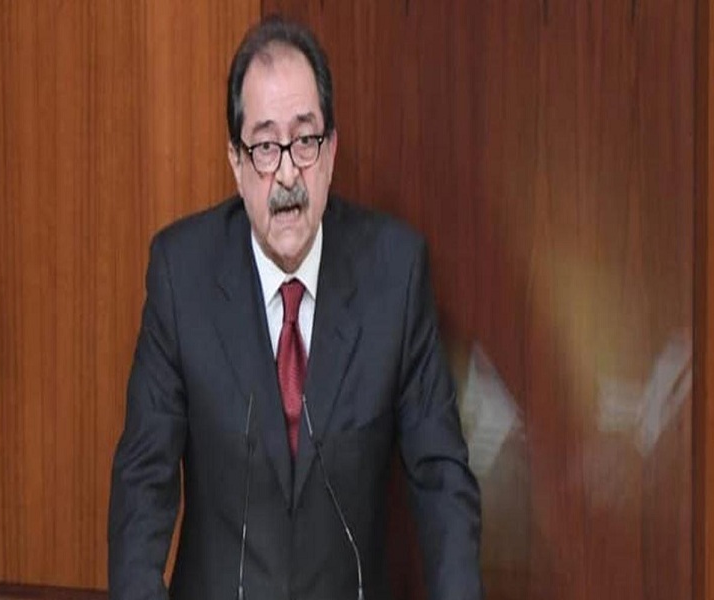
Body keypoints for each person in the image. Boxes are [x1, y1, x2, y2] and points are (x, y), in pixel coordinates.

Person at [108, 15, 482, 600]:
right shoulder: (182, 276)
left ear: (331, 151)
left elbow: (441, 478)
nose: (287, 173)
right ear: (236, 164)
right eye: (264, 147)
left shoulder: (395, 273)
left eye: (304, 141)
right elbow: (143, 481)